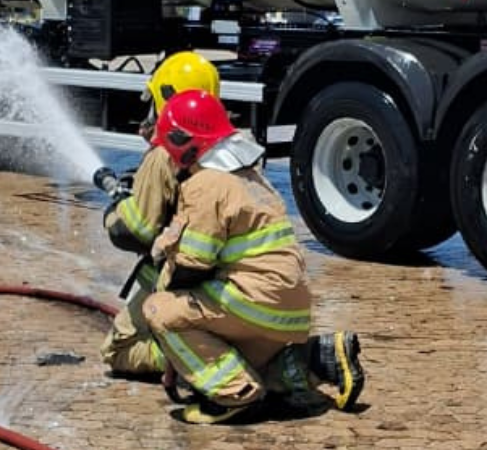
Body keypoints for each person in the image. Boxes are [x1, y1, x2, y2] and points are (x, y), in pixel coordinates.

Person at [141, 89, 365, 424]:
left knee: (159, 310)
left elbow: (191, 265)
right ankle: (321, 358)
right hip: (286, 309)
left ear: (183, 142)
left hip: (254, 304)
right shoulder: (250, 177)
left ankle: (235, 395)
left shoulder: (206, 184)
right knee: (238, 361)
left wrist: (162, 277)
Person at [98, 51, 221, 377]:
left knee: (117, 350)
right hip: (229, 284)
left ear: (166, 100)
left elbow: (136, 231)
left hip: (183, 280)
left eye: (154, 102)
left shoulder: (165, 154)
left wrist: (115, 209)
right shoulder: (225, 147)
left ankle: (190, 361)